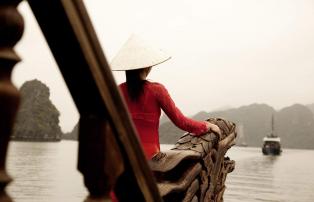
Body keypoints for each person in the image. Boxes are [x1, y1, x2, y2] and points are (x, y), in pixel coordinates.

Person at [111, 34, 221, 159]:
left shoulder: (117, 91)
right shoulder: (156, 90)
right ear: (148, 66)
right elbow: (181, 121)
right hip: (150, 156)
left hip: (122, 155)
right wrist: (207, 126)